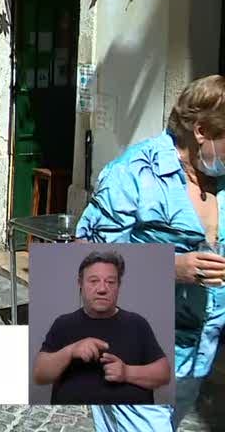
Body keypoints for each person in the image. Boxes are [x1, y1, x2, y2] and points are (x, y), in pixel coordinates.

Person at [74, 74, 225, 430]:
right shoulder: (136, 171)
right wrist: (172, 268)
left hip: (197, 354)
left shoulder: (219, 179)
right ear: (201, 131)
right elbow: (85, 256)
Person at [33, 250, 170, 405]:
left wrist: (127, 372)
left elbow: (163, 374)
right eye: (93, 281)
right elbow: (39, 375)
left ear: (119, 285)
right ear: (80, 283)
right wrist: (70, 351)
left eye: (110, 282)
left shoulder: (137, 324)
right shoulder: (63, 324)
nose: (102, 289)